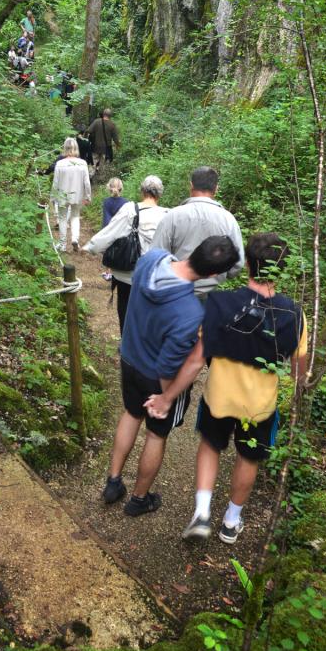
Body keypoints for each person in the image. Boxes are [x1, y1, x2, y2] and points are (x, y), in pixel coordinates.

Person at [145, 233, 307, 545]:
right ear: (282, 269)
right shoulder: (293, 314)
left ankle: (202, 514)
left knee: (210, 445)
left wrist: (167, 397)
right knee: (248, 457)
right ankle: (231, 522)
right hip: (259, 406)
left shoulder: (220, 302)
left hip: (218, 397)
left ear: (247, 263)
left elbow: (195, 361)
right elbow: (300, 371)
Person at [101, 236, 240, 515]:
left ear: (195, 250)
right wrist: (166, 398)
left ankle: (113, 481)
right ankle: (139, 499)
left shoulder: (151, 260)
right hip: (155, 377)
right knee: (155, 435)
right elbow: (167, 367)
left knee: (130, 414)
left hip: (130, 358)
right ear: (213, 274)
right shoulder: (189, 313)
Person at [84, 176, 166, 328]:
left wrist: (92, 247)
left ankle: (127, 343)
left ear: (142, 191)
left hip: (128, 274)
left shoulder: (130, 209)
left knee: (126, 308)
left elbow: (110, 232)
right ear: (160, 194)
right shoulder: (168, 215)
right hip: (155, 275)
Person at [151, 166, 244, 298]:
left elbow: (156, 257)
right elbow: (237, 265)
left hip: (175, 294)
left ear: (191, 185)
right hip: (213, 297)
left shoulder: (172, 216)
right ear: (216, 188)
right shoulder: (228, 219)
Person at [51, 137, 91, 252]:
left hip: (62, 195)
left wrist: (53, 197)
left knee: (62, 218)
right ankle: (75, 239)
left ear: (65, 148)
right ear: (76, 148)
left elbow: (55, 183)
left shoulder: (60, 163)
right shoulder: (82, 163)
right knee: (75, 217)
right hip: (77, 195)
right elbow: (87, 182)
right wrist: (88, 196)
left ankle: (62, 244)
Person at [87, 108, 120, 173]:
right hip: (106, 148)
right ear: (110, 116)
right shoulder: (112, 125)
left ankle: (90, 175)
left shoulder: (96, 121)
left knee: (93, 161)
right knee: (102, 163)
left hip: (95, 146)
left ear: (103, 114)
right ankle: (100, 177)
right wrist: (118, 145)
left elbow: (88, 131)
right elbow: (115, 138)